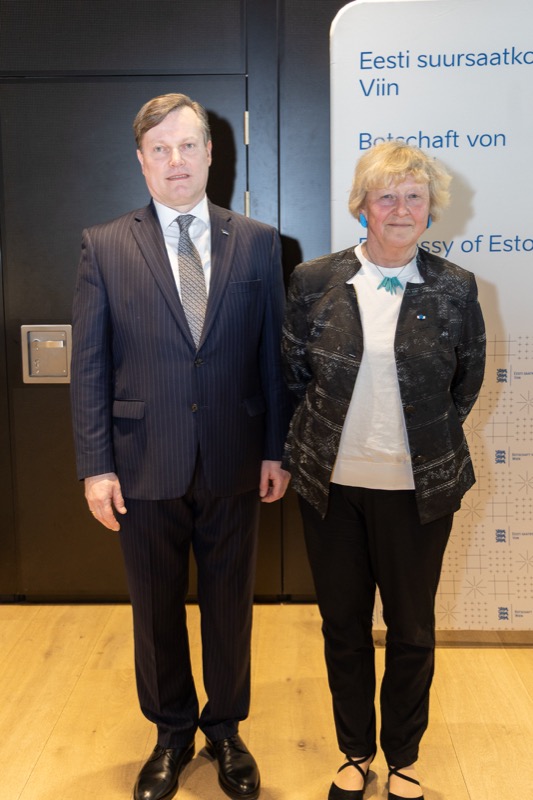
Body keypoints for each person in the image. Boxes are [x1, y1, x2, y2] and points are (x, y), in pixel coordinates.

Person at [70, 92, 291, 800]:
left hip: (234, 458)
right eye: (159, 149)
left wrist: (276, 448)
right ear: (141, 161)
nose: (175, 160)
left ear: (210, 153)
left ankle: (225, 729)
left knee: (229, 605)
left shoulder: (258, 242)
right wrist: (95, 466)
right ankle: (170, 732)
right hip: (141, 462)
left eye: (187, 145)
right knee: (155, 608)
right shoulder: (105, 244)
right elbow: (90, 365)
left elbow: (272, 358)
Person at [281, 140, 485, 800]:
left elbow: (465, 383)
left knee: (411, 629)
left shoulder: (454, 287)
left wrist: (414, 442)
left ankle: (402, 758)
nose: (400, 209)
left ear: (430, 208)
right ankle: (353, 752)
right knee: (342, 627)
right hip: (332, 487)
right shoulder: (314, 280)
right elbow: (294, 376)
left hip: (418, 491)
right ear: (362, 206)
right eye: (386, 196)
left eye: (413, 197)